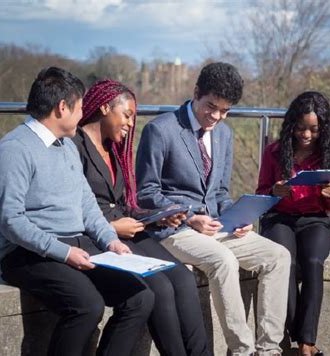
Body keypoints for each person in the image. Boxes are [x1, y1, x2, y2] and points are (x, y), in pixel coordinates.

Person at [0, 67, 154, 356]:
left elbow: (86, 203)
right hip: (26, 252)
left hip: (76, 241)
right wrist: (64, 253)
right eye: (80, 107)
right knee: (87, 306)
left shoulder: (66, 146)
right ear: (61, 107)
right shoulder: (14, 149)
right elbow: (10, 220)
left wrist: (109, 240)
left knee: (140, 297)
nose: (83, 114)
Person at [136, 62, 291, 356]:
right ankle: (242, 350)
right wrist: (191, 218)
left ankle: (269, 350)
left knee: (278, 256)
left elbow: (219, 192)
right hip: (175, 229)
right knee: (223, 261)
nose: (216, 117)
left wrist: (239, 216)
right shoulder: (160, 130)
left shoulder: (224, 135)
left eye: (225, 111)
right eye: (211, 107)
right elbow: (146, 193)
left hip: (219, 226)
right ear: (196, 92)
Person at [72, 79, 211, 356]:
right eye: (126, 115)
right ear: (103, 108)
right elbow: (70, 208)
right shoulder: (74, 147)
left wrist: (157, 217)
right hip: (98, 234)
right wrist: (111, 227)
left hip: (130, 227)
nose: (130, 124)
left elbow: (125, 203)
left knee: (182, 278)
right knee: (159, 286)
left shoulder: (115, 150)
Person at [256, 91, 330, 356]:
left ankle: (307, 343)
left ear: (323, 129)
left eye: (314, 130)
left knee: (314, 262)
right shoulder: (274, 152)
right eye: (301, 127)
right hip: (279, 218)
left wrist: (329, 197)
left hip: (314, 220)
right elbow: (259, 193)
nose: (306, 135)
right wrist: (273, 191)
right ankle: (295, 333)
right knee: (287, 262)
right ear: (292, 124)